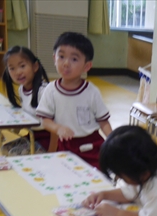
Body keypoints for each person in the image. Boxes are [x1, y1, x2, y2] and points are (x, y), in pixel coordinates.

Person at [36, 32, 112, 168]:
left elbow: (103, 121)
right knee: (65, 174)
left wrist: (113, 140)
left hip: (92, 145)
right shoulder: (50, 90)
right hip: (65, 145)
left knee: (96, 176)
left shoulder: (91, 92)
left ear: (86, 66)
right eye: (61, 57)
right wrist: (58, 128)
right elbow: (45, 120)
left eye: (74, 59)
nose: (66, 63)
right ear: (54, 58)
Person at [2, 46, 55, 154]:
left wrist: (52, 152)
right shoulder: (22, 89)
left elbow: (56, 126)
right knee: (6, 149)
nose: (18, 72)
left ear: (35, 66)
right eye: (12, 68)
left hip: (48, 138)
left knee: (15, 153)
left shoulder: (44, 91)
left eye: (22, 66)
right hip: (33, 135)